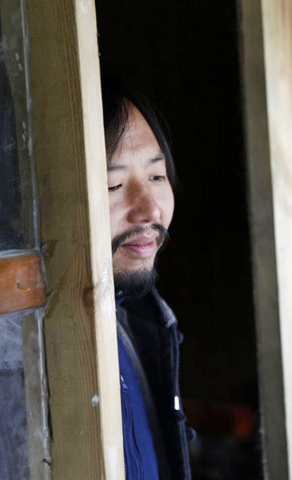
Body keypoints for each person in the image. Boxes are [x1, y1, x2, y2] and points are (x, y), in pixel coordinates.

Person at [102, 77, 191, 479]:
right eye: (113, 184)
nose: (151, 210)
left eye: (156, 177)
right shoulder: (20, 353)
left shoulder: (138, 322)